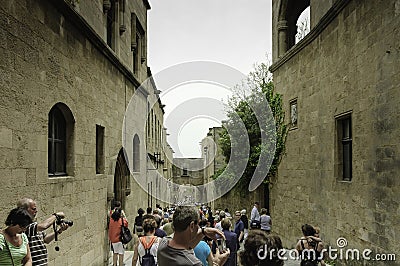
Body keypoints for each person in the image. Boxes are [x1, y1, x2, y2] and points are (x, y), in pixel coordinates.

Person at [157, 205, 230, 266]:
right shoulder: (193, 263)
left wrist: (203, 232)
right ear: (192, 225)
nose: (198, 227)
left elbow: (186, 245)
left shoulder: (163, 244)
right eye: (198, 224)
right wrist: (218, 262)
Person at [17, 198, 69, 265]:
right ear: (24, 211)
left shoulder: (34, 225)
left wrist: (59, 231)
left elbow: (46, 239)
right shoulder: (24, 226)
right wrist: (56, 215)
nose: (36, 211)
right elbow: (44, 226)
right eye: (33, 209)